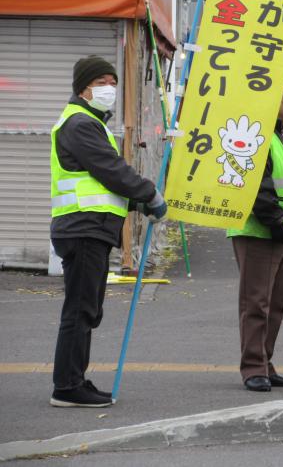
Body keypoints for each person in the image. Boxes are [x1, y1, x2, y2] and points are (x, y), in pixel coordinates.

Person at [50, 56, 167, 407]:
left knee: (86, 308)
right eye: (102, 81)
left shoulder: (87, 123)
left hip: (88, 226)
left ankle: (73, 380)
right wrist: (149, 194)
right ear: (83, 87)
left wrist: (136, 204)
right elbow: (110, 170)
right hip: (84, 227)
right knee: (81, 309)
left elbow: (101, 183)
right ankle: (68, 387)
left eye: (114, 82)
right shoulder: (81, 124)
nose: (110, 89)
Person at [226, 74, 283, 392]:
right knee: (256, 302)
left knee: (276, 304)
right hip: (260, 232)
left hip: (282, 234)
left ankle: (264, 361)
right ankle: (253, 367)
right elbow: (260, 190)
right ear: (271, 99)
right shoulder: (259, 136)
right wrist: (279, 227)